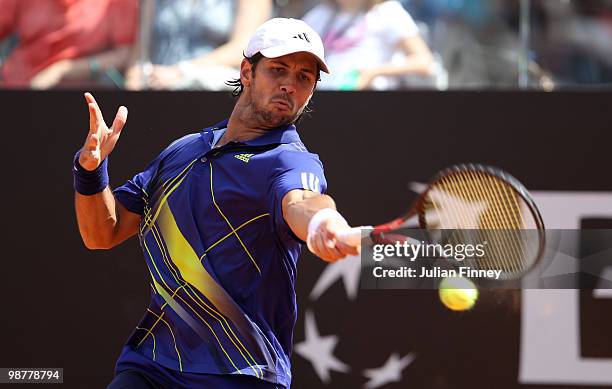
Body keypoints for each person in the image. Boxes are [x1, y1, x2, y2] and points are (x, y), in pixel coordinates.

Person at [73, 18, 359, 388]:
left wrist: (323, 224)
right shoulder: (184, 152)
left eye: (305, 77)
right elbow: (102, 233)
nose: (290, 84)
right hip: (151, 367)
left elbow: (303, 201)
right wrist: (91, 171)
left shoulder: (288, 160)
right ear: (246, 71)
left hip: (241, 374)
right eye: (277, 69)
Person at [124, 0, 272, 90]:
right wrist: (133, 80)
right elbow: (140, 49)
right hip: (155, 88)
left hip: (213, 92)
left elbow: (245, 48)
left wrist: (183, 71)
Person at [0, 0, 138, 89]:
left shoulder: (115, 3)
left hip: (81, 94)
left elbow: (125, 53)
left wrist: (63, 71)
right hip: (19, 87)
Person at [302, 0, 435, 90]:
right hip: (324, 99)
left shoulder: (387, 11)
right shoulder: (322, 13)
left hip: (370, 102)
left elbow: (424, 62)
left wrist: (373, 73)